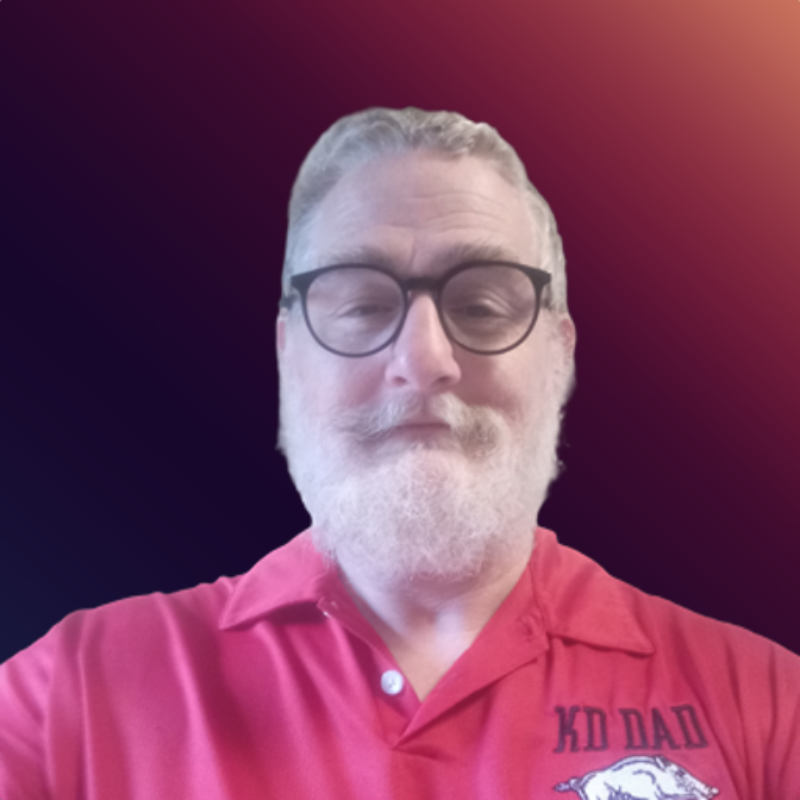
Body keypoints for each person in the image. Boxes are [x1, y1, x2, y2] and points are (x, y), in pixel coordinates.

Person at [1, 107, 798, 800]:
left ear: (560, 358)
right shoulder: (65, 698)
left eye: (483, 304)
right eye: (362, 304)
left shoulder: (765, 706)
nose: (423, 359)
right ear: (287, 358)